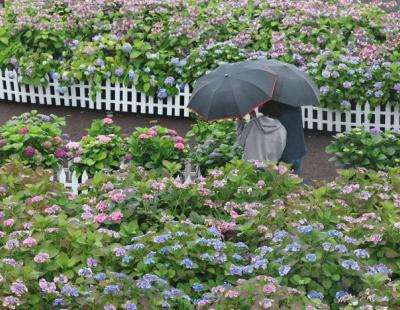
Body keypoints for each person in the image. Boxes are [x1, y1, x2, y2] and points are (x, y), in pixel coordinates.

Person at [262, 100, 306, 175]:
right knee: (295, 181)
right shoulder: (295, 104)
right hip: (297, 150)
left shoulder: (272, 108)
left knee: (280, 183)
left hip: (282, 156)